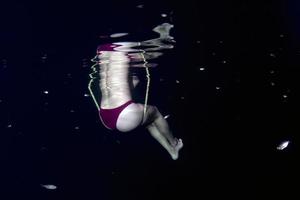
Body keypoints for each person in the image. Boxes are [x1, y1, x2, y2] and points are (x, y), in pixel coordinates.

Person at [89, 24, 183, 160]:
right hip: (124, 113)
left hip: (105, 117)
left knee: (147, 121)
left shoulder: (101, 50)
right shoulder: (123, 47)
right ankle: (174, 143)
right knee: (155, 113)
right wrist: (163, 37)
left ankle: (172, 152)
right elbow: (152, 53)